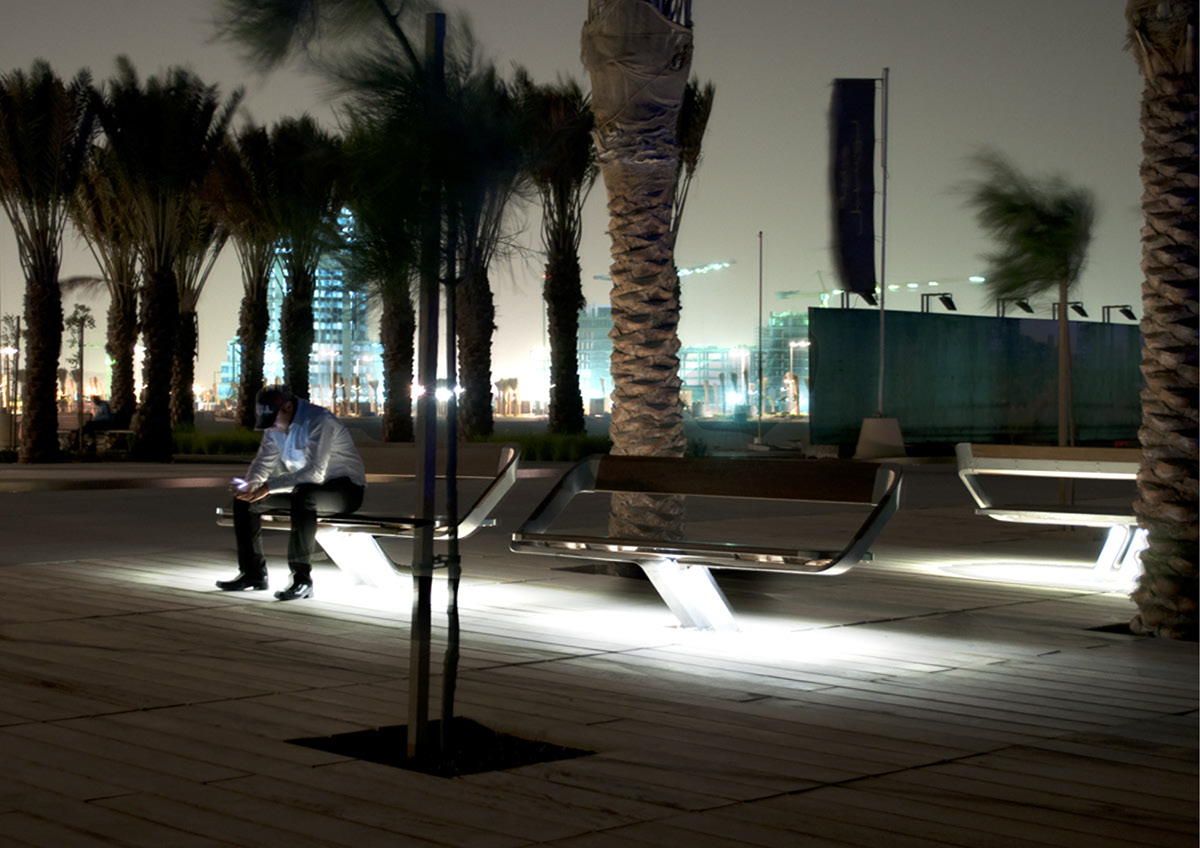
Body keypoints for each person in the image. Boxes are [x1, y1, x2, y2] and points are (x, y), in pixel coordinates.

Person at [217, 386, 366, 601]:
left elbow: (315, 472)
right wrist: (251, 486)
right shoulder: (274, 426)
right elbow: (264, 461)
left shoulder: (319, 420)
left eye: (274, 420)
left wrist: (268, 486)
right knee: (245, 502)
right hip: (305, 489)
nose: (272, 427)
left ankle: (301, 579)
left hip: (345, 490)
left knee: (304, 496)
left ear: (288, 407)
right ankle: (253, 573)